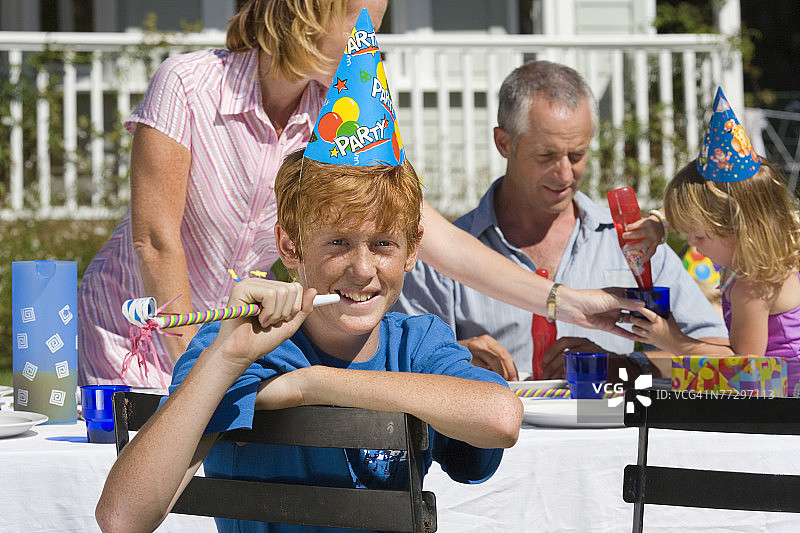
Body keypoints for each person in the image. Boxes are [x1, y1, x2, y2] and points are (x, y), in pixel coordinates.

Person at [78, 0, 641, 389]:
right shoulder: (187, 84)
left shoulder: (337, 110)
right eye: (359, 25)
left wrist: (565, 301)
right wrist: (190, 375)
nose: (368, 46)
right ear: (305, 14)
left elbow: (431, 234)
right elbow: (157, 243)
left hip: (214, 349)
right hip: (129, 334)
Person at [95, 146, 524, 533]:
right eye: (338, 242)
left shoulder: (418, 343)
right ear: (289, 244)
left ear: (413, 250)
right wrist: (226, 358)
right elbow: (121, 519)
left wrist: (310, 384)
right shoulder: (234, 346)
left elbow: (501, 418)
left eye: (383, 244)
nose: (362, 268)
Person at [393, 60, 730, 381]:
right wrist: (453, 360)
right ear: (503, 143)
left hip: (609, 437)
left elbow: (726, 362)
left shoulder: (630, 241)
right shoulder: (443, 250)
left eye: (577, 155)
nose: (565, 173)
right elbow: (402, 364)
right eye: (547, 156)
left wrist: (629, 366)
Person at [629, 87, 800, 395]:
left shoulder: (753, 282)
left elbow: (745, 367)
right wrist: (658, 224)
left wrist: (673, 341)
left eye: (700, 236)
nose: (693, 246)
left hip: (785, 410)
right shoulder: (751, 260)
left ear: (738, 227)